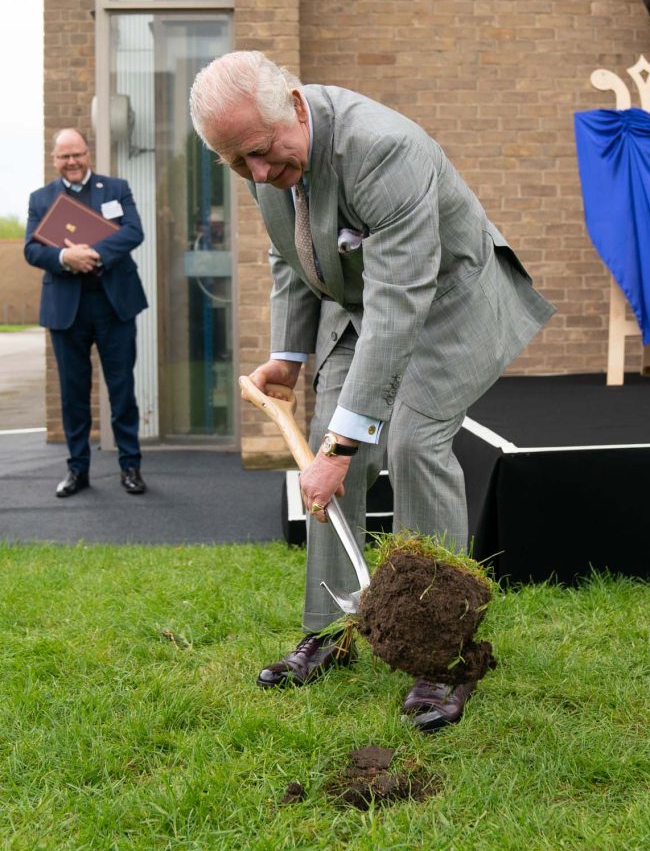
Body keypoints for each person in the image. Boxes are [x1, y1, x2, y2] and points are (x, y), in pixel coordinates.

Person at [189, 52, 555, 731]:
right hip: (362, 301)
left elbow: (398, 305)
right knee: (332, 438)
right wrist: (289, 357)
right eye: (240, 164)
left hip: (448, 298)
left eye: (264, 155)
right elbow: (287, 253)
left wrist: (341, 446)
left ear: (296, 107)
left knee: (413, 440)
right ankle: (331, 630)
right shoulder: (259, 153)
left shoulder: (383, 150)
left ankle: (437, 656)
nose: (259, 174)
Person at [25, 128, 148, 498]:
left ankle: (130, 468)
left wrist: (91, 252)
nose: (72, 162)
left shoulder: (116, 188)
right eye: (64, 157)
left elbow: (133, 232)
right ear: (54, 160)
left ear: (88, 154)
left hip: (115, 307)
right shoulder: (41, 198)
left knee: (122, 391)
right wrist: (65, 257)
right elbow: (31, 250)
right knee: (73, 395)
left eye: (76, 154)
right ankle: (77, 470)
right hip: (67, 312)